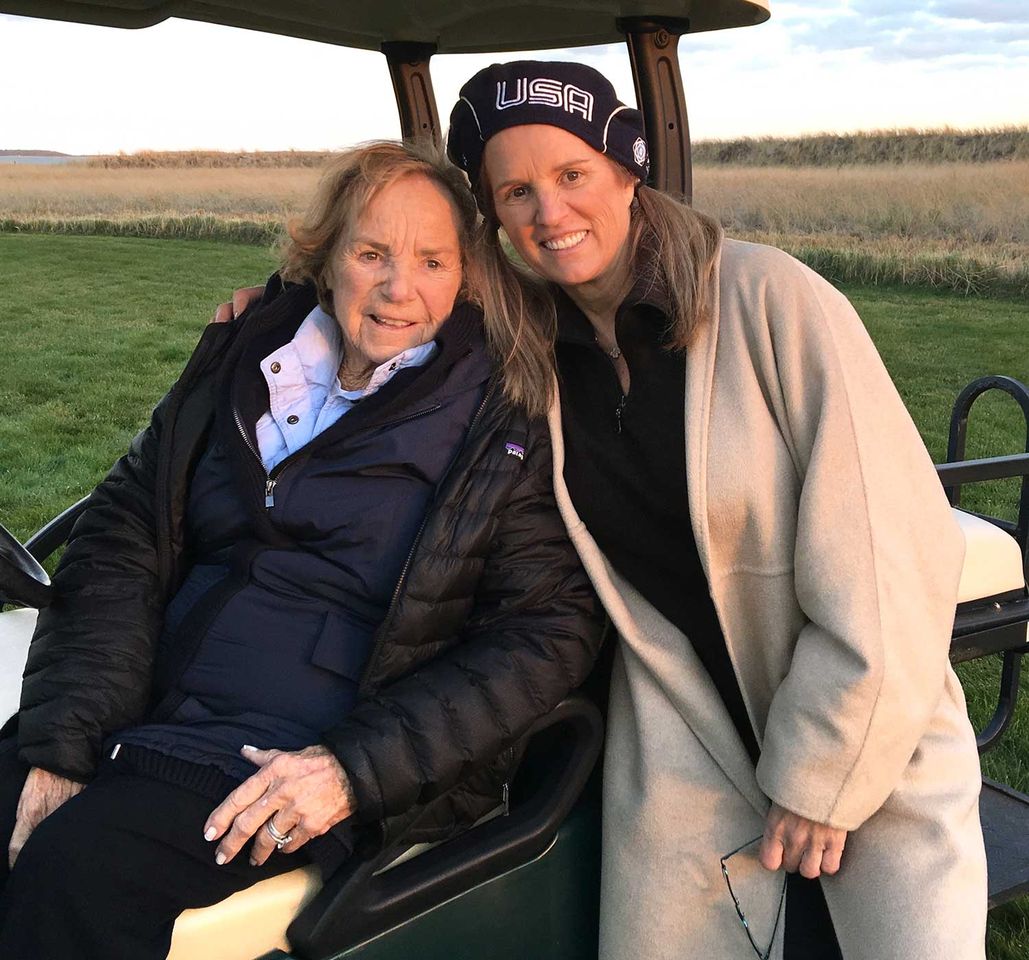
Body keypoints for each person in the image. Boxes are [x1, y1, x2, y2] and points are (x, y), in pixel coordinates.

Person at [0, 140, 602, 960]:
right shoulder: (246, 356)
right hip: (144, 704)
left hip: (294, 754)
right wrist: (66, 742)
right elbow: (122, 534)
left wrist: (351, 769)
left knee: (77, 873)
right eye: (371, 253)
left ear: (468, 274)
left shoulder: (500, 419)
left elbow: (544, 632)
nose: (400, 289)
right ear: (326, 258)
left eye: (432, 261)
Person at [441, 61, 987, 960]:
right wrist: (273, 316)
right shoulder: (533, 355)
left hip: (861, 744)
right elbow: (385, 290)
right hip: (692, 761)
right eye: (516, 190)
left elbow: (893, 552)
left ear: (626, 169)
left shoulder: (769, 299)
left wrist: (821, 772)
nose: (549, 212)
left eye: (572, 174)